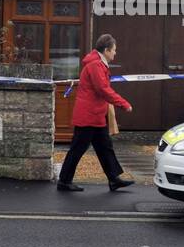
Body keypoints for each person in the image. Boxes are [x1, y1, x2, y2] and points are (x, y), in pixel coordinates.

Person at [57, 34, 135, 192]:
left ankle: (114, 179)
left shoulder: (98, 63)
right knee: (77, 149)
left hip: (95, 115)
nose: (115, 53)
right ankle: (64, 181)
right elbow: (103, 89)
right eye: (114, 50)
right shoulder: (95, 65)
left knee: (105, 147)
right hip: (88, 116)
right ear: (106, 50)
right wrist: (123, 103)